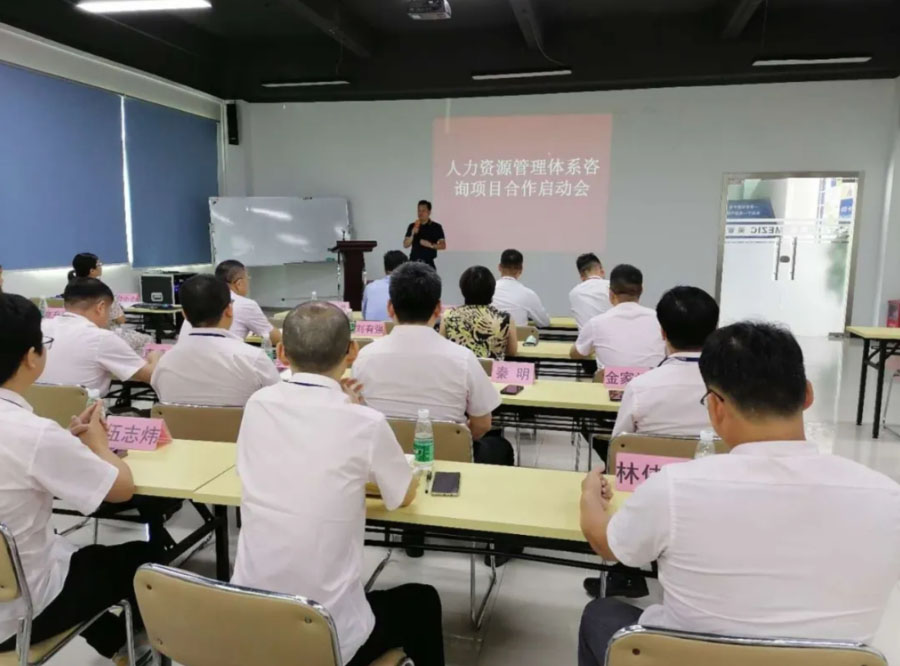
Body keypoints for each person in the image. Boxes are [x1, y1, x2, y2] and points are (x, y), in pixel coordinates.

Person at [577, 322, 900, 666]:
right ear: (807, 395)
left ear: (715, 407)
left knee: (601, 613)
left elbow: (607, 544)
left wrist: (589, 494)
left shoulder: (674, 487)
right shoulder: (888, 497)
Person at [232, 302, 444, 666]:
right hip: (323, 635)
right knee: (423, 601)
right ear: (352, 351)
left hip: (251, 620)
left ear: (281, 353)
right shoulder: (365, 422)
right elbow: (404, 495)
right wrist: (357, 413)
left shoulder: (257, 404)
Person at [0, 293, 156, 665]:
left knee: (70, 559)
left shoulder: (37, 436)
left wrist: (66, 446)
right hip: (16, 618)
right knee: (144, 557)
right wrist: (98, 444)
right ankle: (133, 647)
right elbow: (120, 490)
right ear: (32, 356)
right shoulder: (33, 434)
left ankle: (114, 643)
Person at [353, 262, 512, 467]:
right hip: (448, 462)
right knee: (501, 447)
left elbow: (358, 415)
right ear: (438, 309)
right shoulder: (463, 358)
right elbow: (482, 424)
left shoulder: (364, 357)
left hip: (383, 463)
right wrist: (454, 439)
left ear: (390, 307)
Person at [151, 274, 280, 406]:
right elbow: (278, 402)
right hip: (238, 420)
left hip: (180, 421)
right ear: (229, 310)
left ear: (185, 315)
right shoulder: (253, 359)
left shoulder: (165, 362)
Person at [610, 286, 719, 439]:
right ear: (714, 331)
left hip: (651, 456)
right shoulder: (734, 389)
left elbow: (619, 444)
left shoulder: (639, 388)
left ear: (662, 333)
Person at [40, 278, 160, 396]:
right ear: (101, 307)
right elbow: (153, 376)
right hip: (83, 408)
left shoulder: (40, 327)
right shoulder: (102, 338)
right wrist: (155, 354)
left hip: (38, 406)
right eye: (109, 311)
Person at [570, 264, 665, 368]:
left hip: (613, 378)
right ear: (641, 290)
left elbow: (576, 354)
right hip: (652, 377)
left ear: (610, 294)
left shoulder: (596, 323)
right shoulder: (660, 319)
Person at [180, 260, 281, 346]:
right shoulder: (245, 304)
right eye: (248, 278)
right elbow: (274, 338)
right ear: (239, 283)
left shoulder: (203, 298)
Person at [69, 252, 151, 353]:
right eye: (99, 264)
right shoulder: (103, 290)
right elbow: (121, 320)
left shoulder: (71, 290)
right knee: (147, 339)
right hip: (106, 335)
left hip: (80, 335)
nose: (101, 266)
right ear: (92, 271)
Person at [440, 265, 516, 360]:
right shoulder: (505, 319)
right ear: (492, 290)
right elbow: (512, 351)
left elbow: (441, 348)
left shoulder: (449, 316)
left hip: (459, 369)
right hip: (490, 369)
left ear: (463, 289)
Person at [491, 249, 550, 328]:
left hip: (491, 335)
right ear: (521, 269)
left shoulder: (487, 291)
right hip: (519, 336)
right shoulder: (528, 294)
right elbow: (544, 322)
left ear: (499, 267)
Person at [569, 253, 611, 329]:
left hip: (586, 336)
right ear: (602, 271)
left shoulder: (574, 294)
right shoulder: (613, 287)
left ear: (582, 277)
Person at [362, 250, 407, 321]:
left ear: (385, 269)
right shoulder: (410, 289)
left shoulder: (370, 287)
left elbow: (364, 315)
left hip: (373, 327)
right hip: (400, 327)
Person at [402, 200, 446, 268]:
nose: (420, 213)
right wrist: (412, 234)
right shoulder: (412, 226)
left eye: (423, 210)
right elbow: (405, 245)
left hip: (428, 264)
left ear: (429, 212)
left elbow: (443, 245)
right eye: (419, 210)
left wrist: (430, 245)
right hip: (413, 263)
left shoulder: (436, 227)